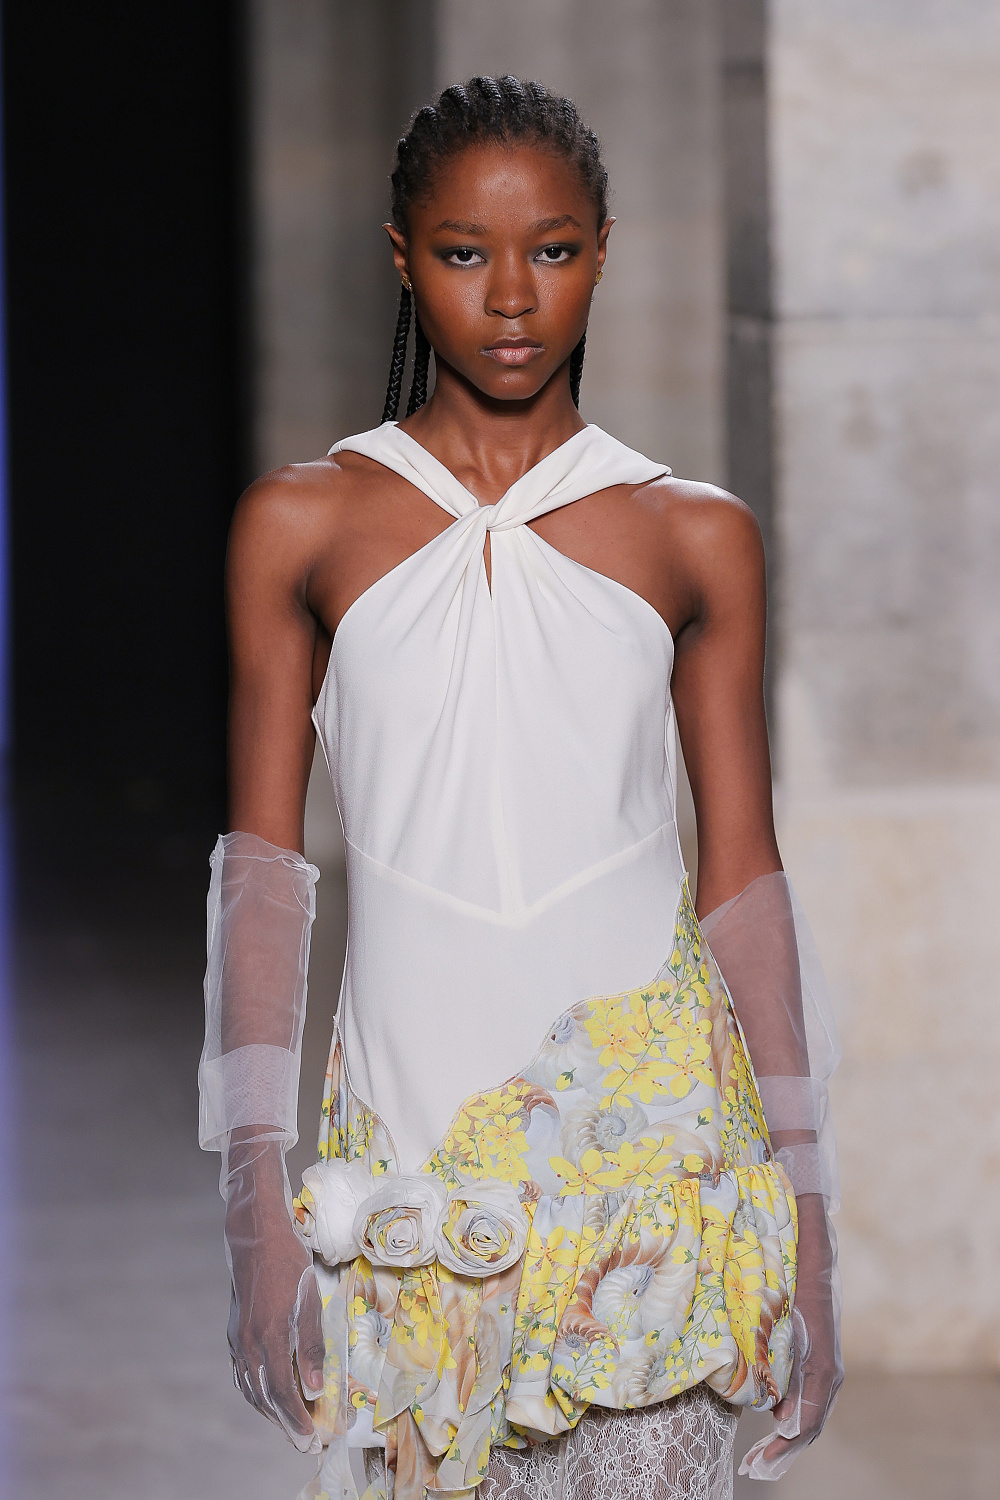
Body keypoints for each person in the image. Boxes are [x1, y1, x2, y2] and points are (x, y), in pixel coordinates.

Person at [199, 77, 841, 1500]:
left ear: (602, 252)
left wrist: (807, 1215)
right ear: (402, 257)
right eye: (462, 252)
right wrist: (252, 1193)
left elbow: (743, 875)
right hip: (417, 1164)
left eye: (551, 250)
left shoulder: (695, 535)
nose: (509, 298)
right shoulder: (302, 524)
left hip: (661, 1162)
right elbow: (263, 876)